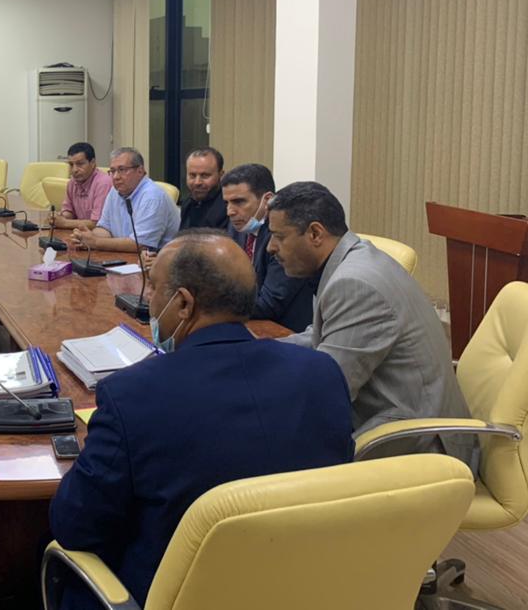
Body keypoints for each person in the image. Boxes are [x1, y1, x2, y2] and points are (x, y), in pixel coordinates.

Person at [50, 230, 353, 610]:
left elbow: (76, 526)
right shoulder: (322, 372)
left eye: (153, 287)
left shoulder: (131, 395)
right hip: (303, 589)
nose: (148, 299)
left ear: (183, 304)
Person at [267, 181, 473, 462]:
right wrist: (261, 351)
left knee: (264, 447)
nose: (271, 247)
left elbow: (325, 391)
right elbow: (324, 335)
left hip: (419, 447)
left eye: (279, 237)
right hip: (391, 419)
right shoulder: (352, 261)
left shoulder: (355, 284)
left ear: (315, 233)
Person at [221, 163, 317, 332]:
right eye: (227, 203)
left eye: (239, 202)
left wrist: (211, 304)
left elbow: (268, 305)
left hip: (287, 331)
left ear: (267, 200)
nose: (230, 211)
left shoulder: (284, 235)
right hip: (250, 323)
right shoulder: (238, 226)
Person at [70, 147, 179, 253]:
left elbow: (141, 244)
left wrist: (95, 242)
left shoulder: (152, 197)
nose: (116, 177)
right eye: (112, 171)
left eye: (122, 170)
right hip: (126, 256)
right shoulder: (115, 191)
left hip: (160, 260)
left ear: (140, 171)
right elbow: (105, 228)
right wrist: (86, 237)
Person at [50, 142, 112, 231]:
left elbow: (97, 223)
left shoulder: (103, 183)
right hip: (81, 233)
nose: (74, 170)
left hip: (101, 236)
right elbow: (69, 212)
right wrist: (59, 217)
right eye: (71, 164)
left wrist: (64, 223)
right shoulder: (72, 182)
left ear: (93, 163)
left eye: (80, 164)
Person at [178, 147, 229, 230]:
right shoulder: (188, 204)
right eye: (192, 175)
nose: (197, 182)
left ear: (221, 175)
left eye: (205, 176)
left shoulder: (229, 208)